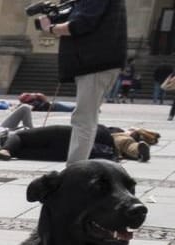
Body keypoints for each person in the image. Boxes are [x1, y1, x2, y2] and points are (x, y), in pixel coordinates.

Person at [50, 0, 125, 162]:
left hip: (95, 63)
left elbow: (80, 24)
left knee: (84, 118)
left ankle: (75, 169)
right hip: (96, 62)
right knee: (86, 117)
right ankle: (78, 166)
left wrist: (51, 28)